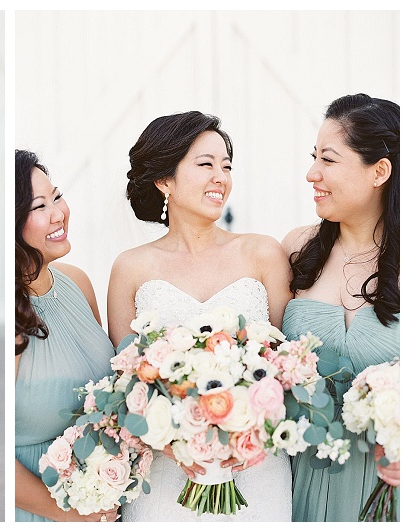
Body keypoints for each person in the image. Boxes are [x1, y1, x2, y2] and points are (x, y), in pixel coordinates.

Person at [107, 111, 293, 521]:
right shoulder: (130, 268)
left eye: (226, 166)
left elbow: (288, 364)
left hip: (255, 467)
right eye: (205, 164)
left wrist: (249, 426)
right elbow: (126, 383)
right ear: (164, 180)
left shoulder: (263, 254)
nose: (220, 177)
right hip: (166, 472)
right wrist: (176, 437)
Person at [282, 93, 400, 522]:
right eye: (314, 157)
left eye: (328, 160)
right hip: (302, 481)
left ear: (379, 171)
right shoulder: (296, 249)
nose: (312, 173)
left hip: (389, 484)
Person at [14, 149, 118, 522]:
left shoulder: (78, 282)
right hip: (40, 510)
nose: (59, 213)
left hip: (100, 500)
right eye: (40, 206)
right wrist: (73, 516)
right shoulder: (14, 315)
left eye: (57, 196)